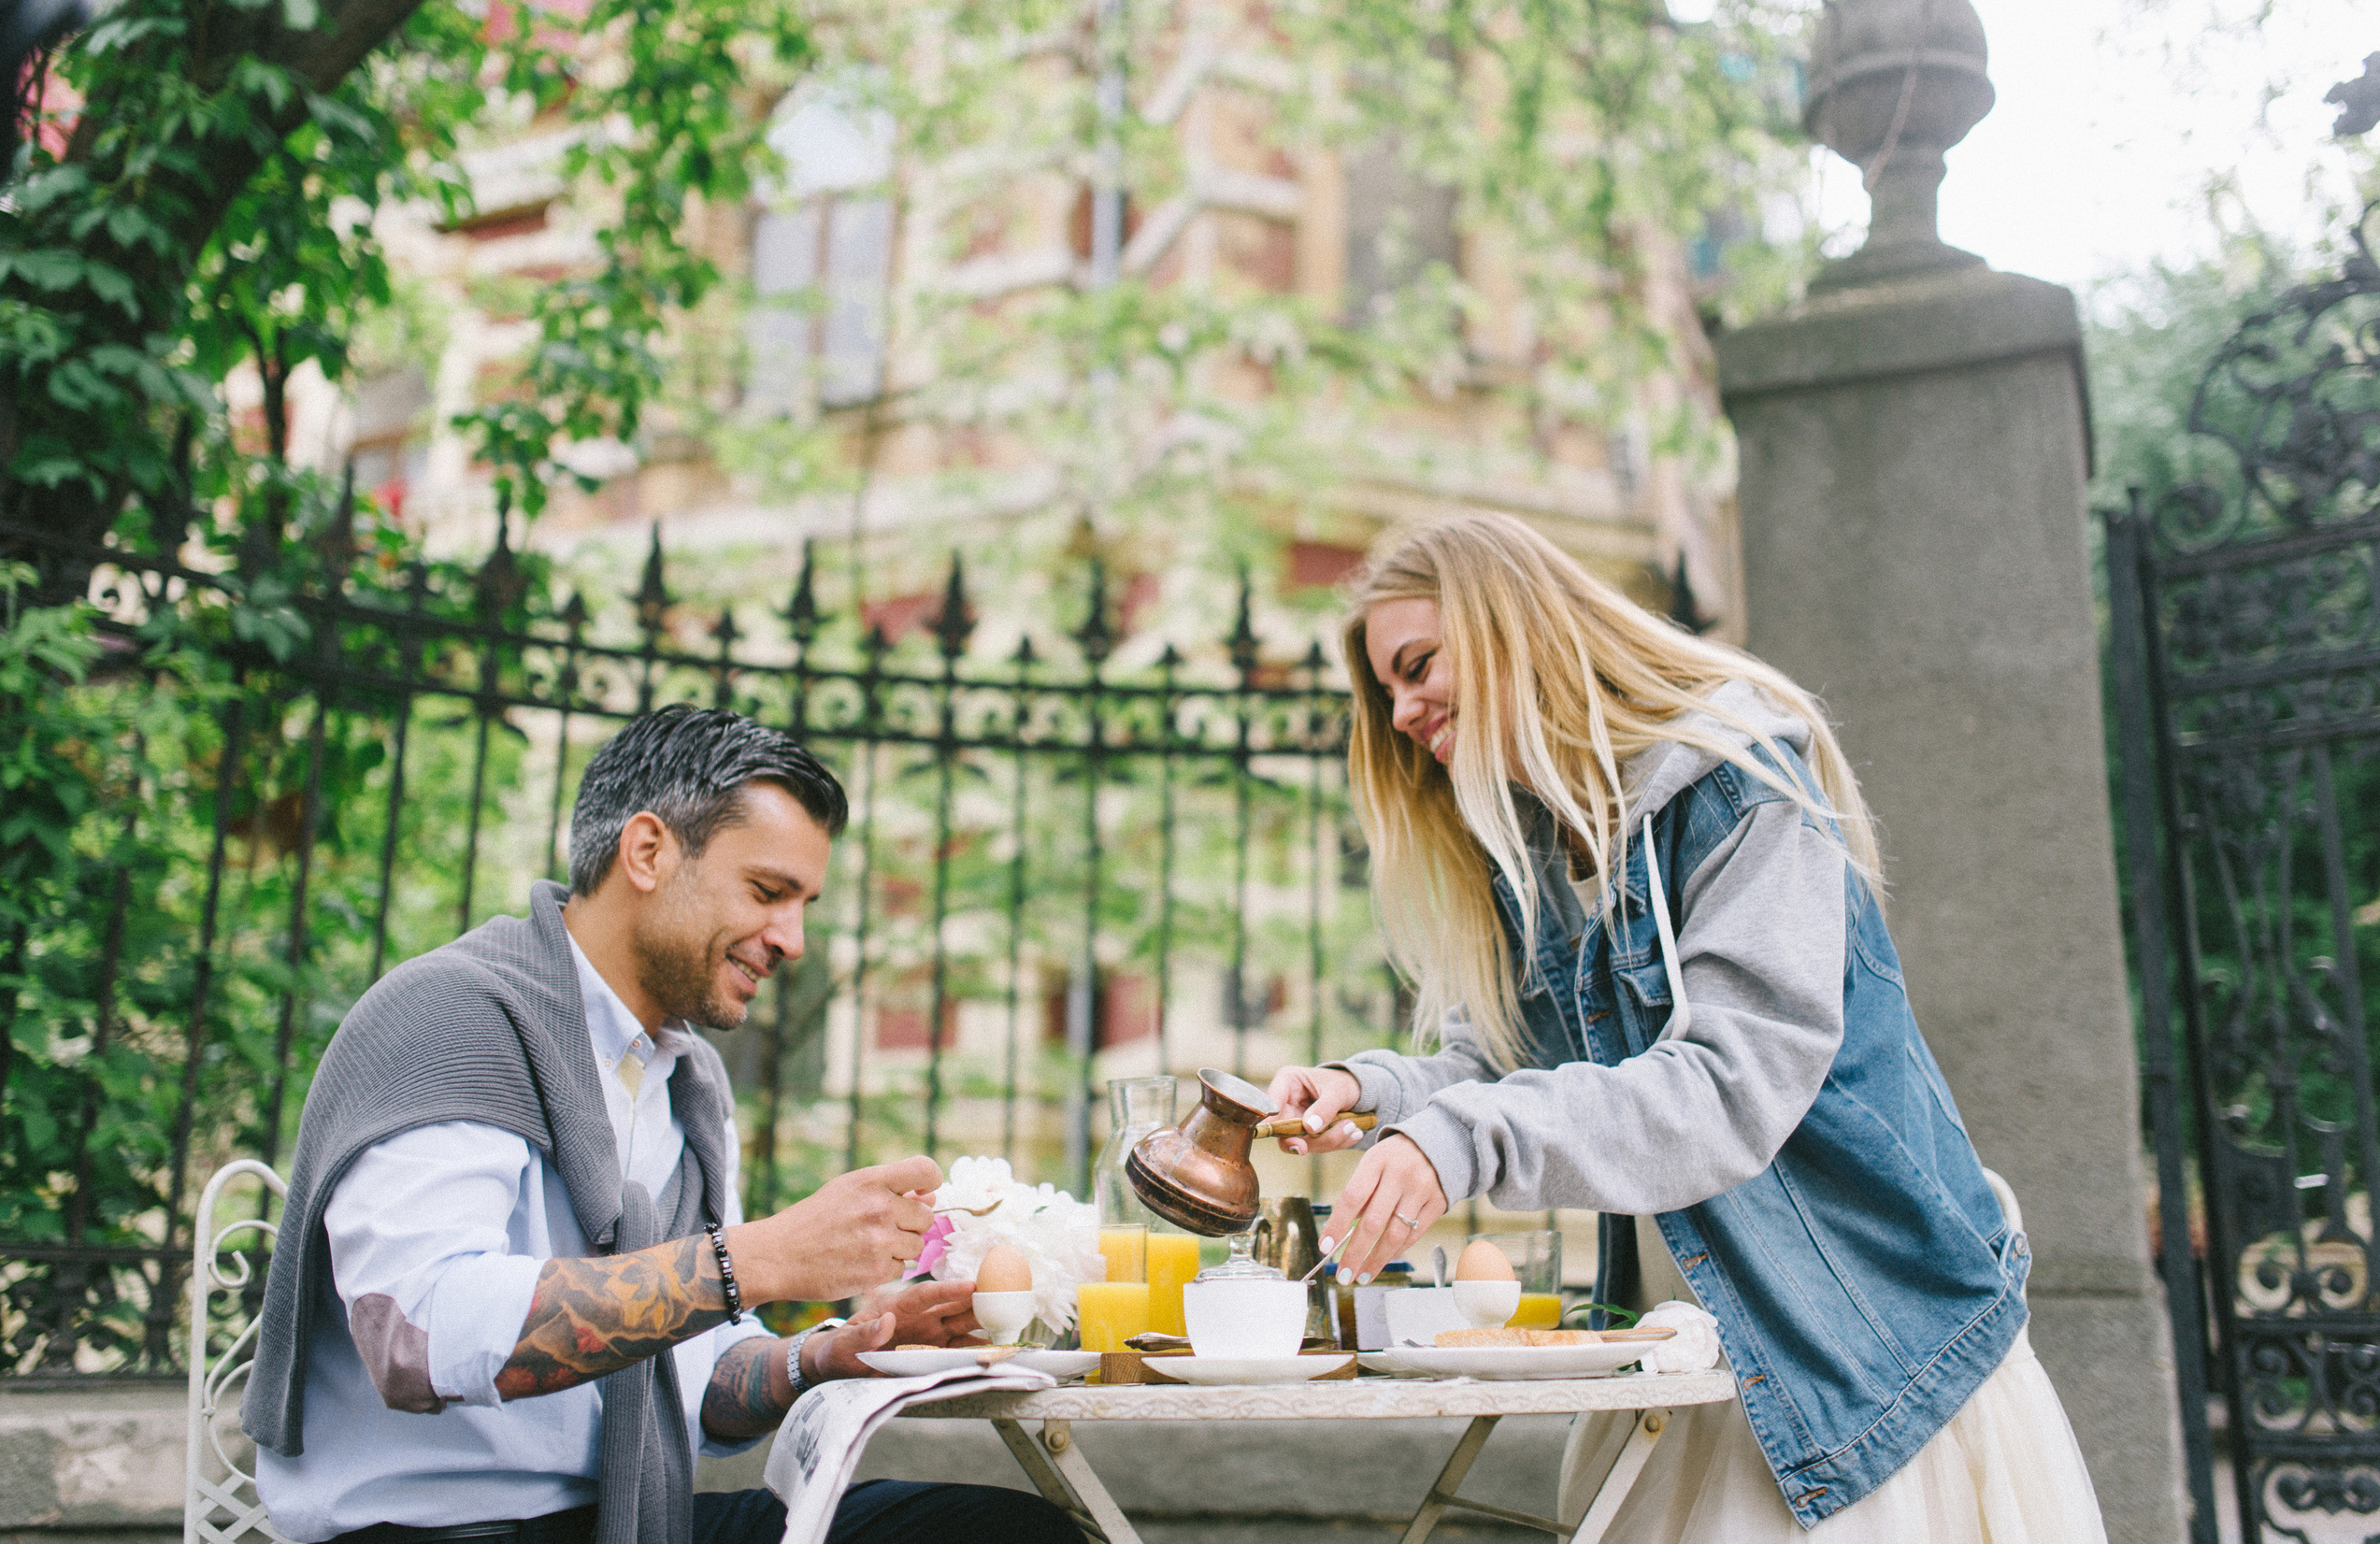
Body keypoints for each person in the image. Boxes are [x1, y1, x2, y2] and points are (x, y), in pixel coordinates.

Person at [1267, 513, 2104, 1541]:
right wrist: (1378, 1093)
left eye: (1417, 664)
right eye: (1385, 689)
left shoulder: (1736, 777)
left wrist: (1464, 1140)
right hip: (1695, 1348)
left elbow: (1729, 1086)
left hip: (1858, 1341)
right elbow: (1513, 1063)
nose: (1398, 711)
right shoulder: (1531, 847)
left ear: (1510, 625)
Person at [247, 706, 1079, 1544]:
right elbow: (419, 1332)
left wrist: (827, 1353)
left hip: (629, 1522)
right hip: (439, 1530)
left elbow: (696, 1372)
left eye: (804, 903)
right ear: (647, 852)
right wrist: (763, 1256)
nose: (792, 939)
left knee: (1000, 1531)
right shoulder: (453, 1017)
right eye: (767, 891)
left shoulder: (688, 1083)